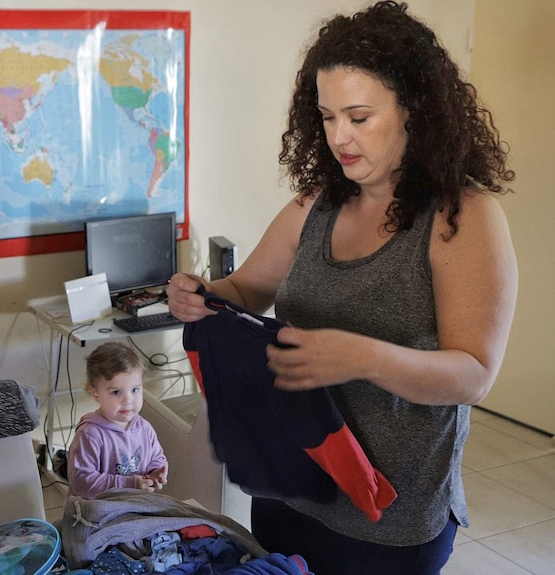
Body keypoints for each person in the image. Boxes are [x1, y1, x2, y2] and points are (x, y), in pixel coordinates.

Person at [167, 2, 518, 573]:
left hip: (391, 520)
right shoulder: (317, 204)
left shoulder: (463, 217)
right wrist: (201, 292)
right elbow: (248, 288)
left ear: (414, 111)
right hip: (290, 484)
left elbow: (473, 375)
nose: (339, 137)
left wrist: (362, 356)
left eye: (358, 116)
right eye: (327, 117)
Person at [66, 341, 169, 499]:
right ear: (95, 393)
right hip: (94, 513)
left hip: (133, 506)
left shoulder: (144, 428)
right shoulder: (90, 434)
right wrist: (129, 484)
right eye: (115, 392)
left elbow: (157, 458)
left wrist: (156, 473)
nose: (128, 400)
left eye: (135, 390)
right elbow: (81, 482)